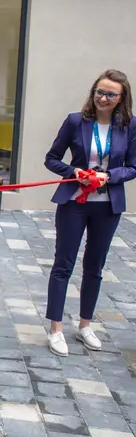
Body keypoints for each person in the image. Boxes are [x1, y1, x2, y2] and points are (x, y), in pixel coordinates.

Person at [44, 69, 136, 356]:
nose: (103, 98)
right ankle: (56, 329)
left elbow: (133, 166)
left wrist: (109, 176)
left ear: (122, 98)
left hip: (107, 206)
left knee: (94, 267)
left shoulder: (130, 126)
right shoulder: (75, 121)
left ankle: (85, 325)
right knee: (63, 265)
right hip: (74, 203)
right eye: (99, 91)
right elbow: (51, 159)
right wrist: (75, 172)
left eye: (110, 94)